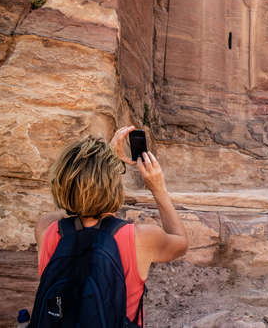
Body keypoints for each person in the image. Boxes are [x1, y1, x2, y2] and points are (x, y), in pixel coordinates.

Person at [34, 125, 188, 324]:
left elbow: (71, 206)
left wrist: (97, 166)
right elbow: (182, 242)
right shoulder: (140, 238)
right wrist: (158, 189)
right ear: (114, 184)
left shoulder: (46, 229)